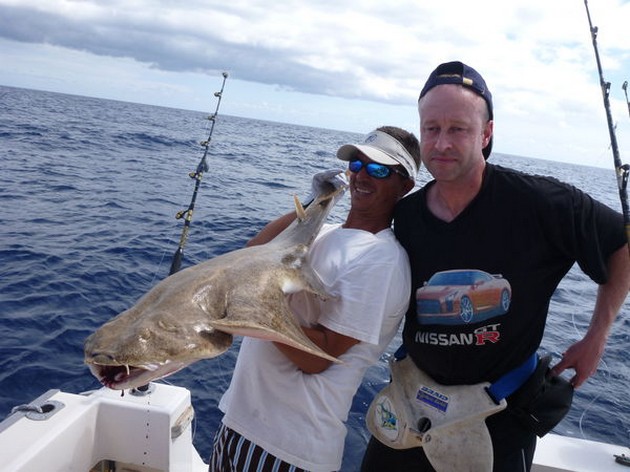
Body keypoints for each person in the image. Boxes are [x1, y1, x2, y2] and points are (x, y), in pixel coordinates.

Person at [361, 61, 630, 471]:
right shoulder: (408, 214)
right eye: (431, 128)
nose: (442, 142)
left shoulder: (542, 203)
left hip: (500, 415)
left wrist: (597, 336)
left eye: (458, 129)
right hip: (413, 401)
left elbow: (621, 245)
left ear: (486, 133)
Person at [209, 126, 421, 472]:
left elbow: (319, 357)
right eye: (357, 164)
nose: (362, 176)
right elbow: (251, 257)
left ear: (405, 186)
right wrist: (316, 202)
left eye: (380, 169)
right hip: (239, 423)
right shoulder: (323, 231)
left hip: (288, 449)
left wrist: (257, 308)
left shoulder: (383, 260)